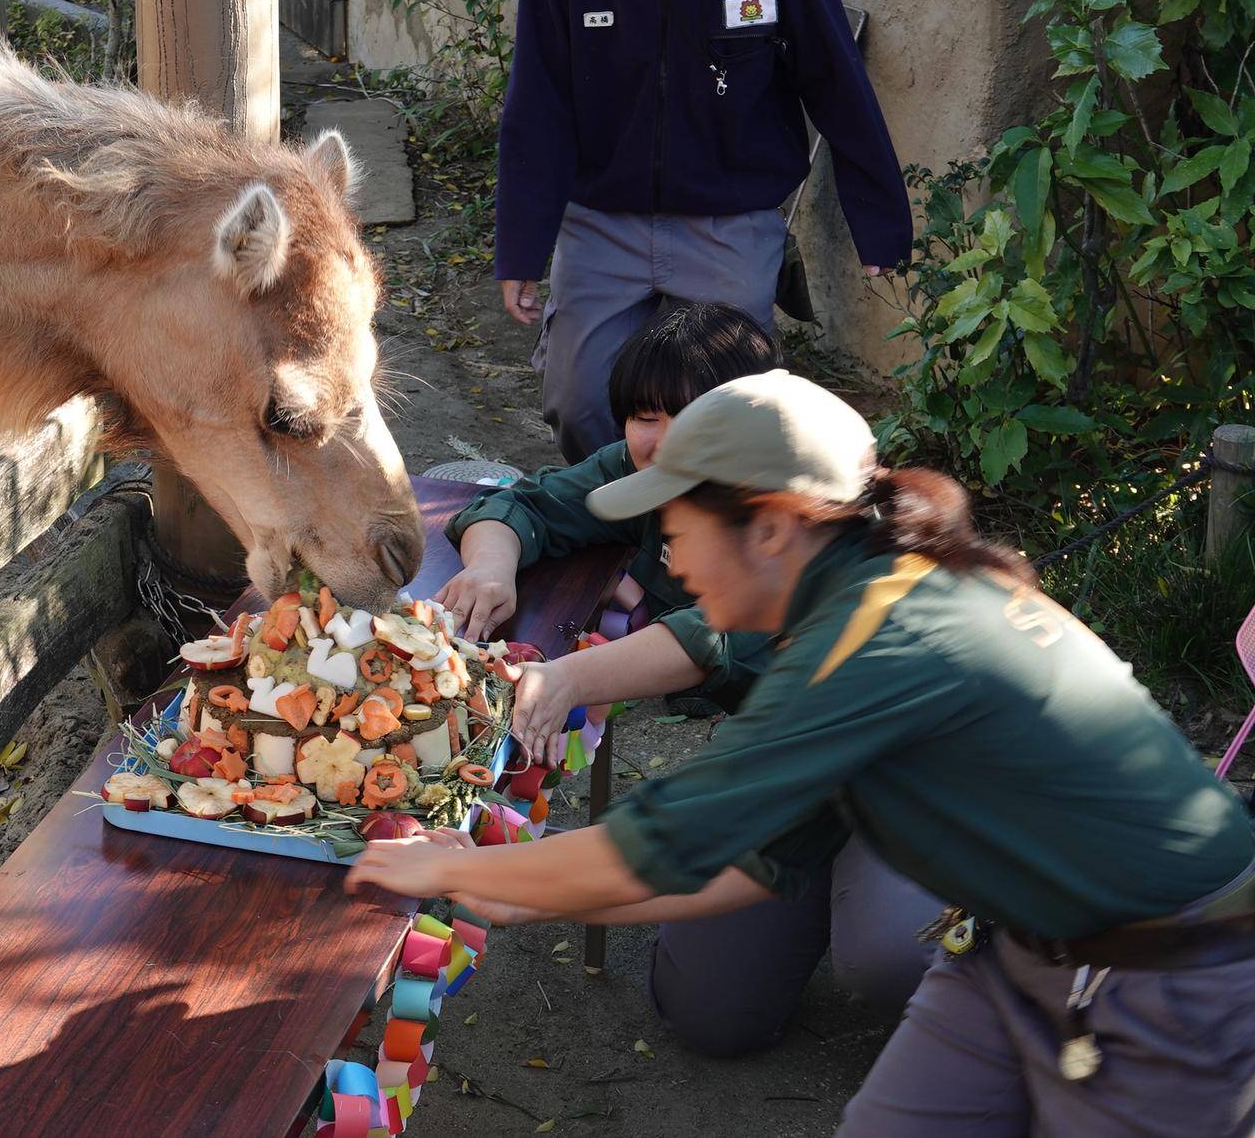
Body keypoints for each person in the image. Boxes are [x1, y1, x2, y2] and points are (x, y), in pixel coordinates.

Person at [352, 371, 1255, 1133]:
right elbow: (754, 864)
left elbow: (654, 849)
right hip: (1011, 942)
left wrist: (441, 874)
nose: (669, 552)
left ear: (773, 525)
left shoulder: (868, 643)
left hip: (1169, 978)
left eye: (681, 525)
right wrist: (511, 894)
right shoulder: (870, 594)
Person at [440, 304, 938, 1055]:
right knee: (709, 1013)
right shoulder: (658, 477)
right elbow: (525, 502)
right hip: (783, 759)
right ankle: (833, 882)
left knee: (893, 957)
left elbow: (718, 641)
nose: (659, 436)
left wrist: (573, 680)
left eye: (688, 414)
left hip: (903, 770)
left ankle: (974, 955)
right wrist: (491, 564)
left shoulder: (823, 538)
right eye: (644, 414)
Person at [494, 0, 912, 460]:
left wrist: (880, 224)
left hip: (729, 223)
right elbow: (536, 109)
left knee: (723, 414)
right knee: (579, 405)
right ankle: (615, 542)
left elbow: (837, 85)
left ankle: (688, 558)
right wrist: (521, 248)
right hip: (603, 224)